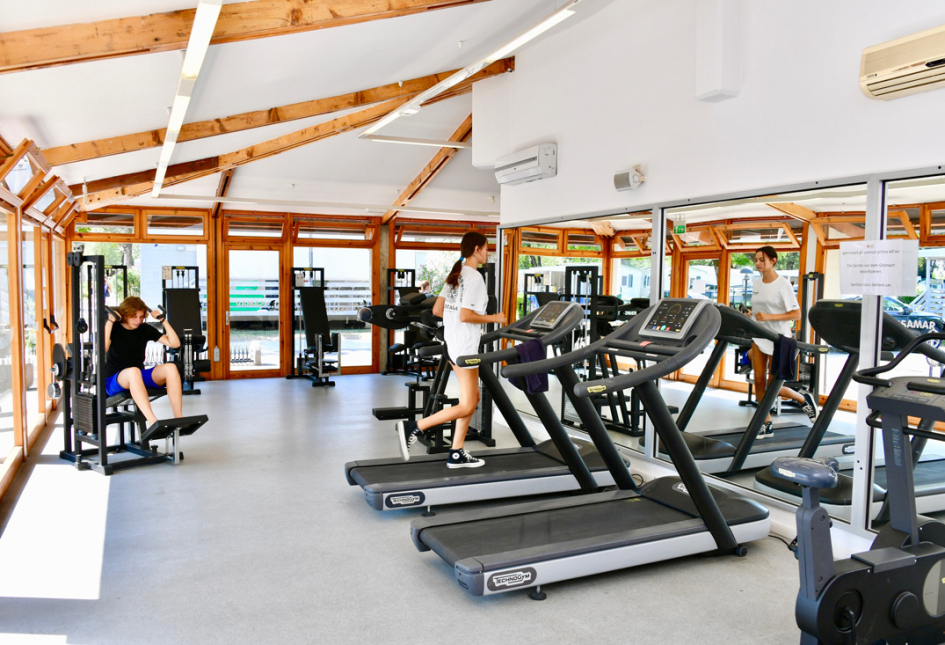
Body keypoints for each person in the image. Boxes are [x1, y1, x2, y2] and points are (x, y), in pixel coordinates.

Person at [396, 231, 506, 468]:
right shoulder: (475, 277)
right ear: (476, 249)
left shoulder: (456, 274)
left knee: (473, 397)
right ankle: (414, 427)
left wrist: (455, 320)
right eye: (487, 248)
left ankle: (456, 452)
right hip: (465, 349)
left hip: (453, 345)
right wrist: (496, 317)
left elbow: (437, 310)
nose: (488, 253)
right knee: (468, 404)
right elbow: (466, 315)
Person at [748, 246, 818, 438]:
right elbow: (757, 311)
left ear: (773, 260)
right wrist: (750, 316)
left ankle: (803, 399)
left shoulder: (783, 285)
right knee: (759, 381)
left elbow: (796, 314)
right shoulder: (756, 283)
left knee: (773, 386)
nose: (758, 263)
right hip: (759, 336)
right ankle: (766, 422)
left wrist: (769, 317)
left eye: (762, 259)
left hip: (779, 339)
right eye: (756, 260)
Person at [104, 296, 184, 433]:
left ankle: (179, 419)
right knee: (133, 371)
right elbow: (102, 350)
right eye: (134, 317)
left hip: (136, 377)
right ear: (125, 314)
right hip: (114, 379)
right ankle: (153, 421)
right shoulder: (114, 327)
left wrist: (163, 320)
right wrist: (109, 322)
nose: (138, 320)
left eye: (141, 317)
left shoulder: (144, 329)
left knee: (171, 368)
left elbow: (175, 343)